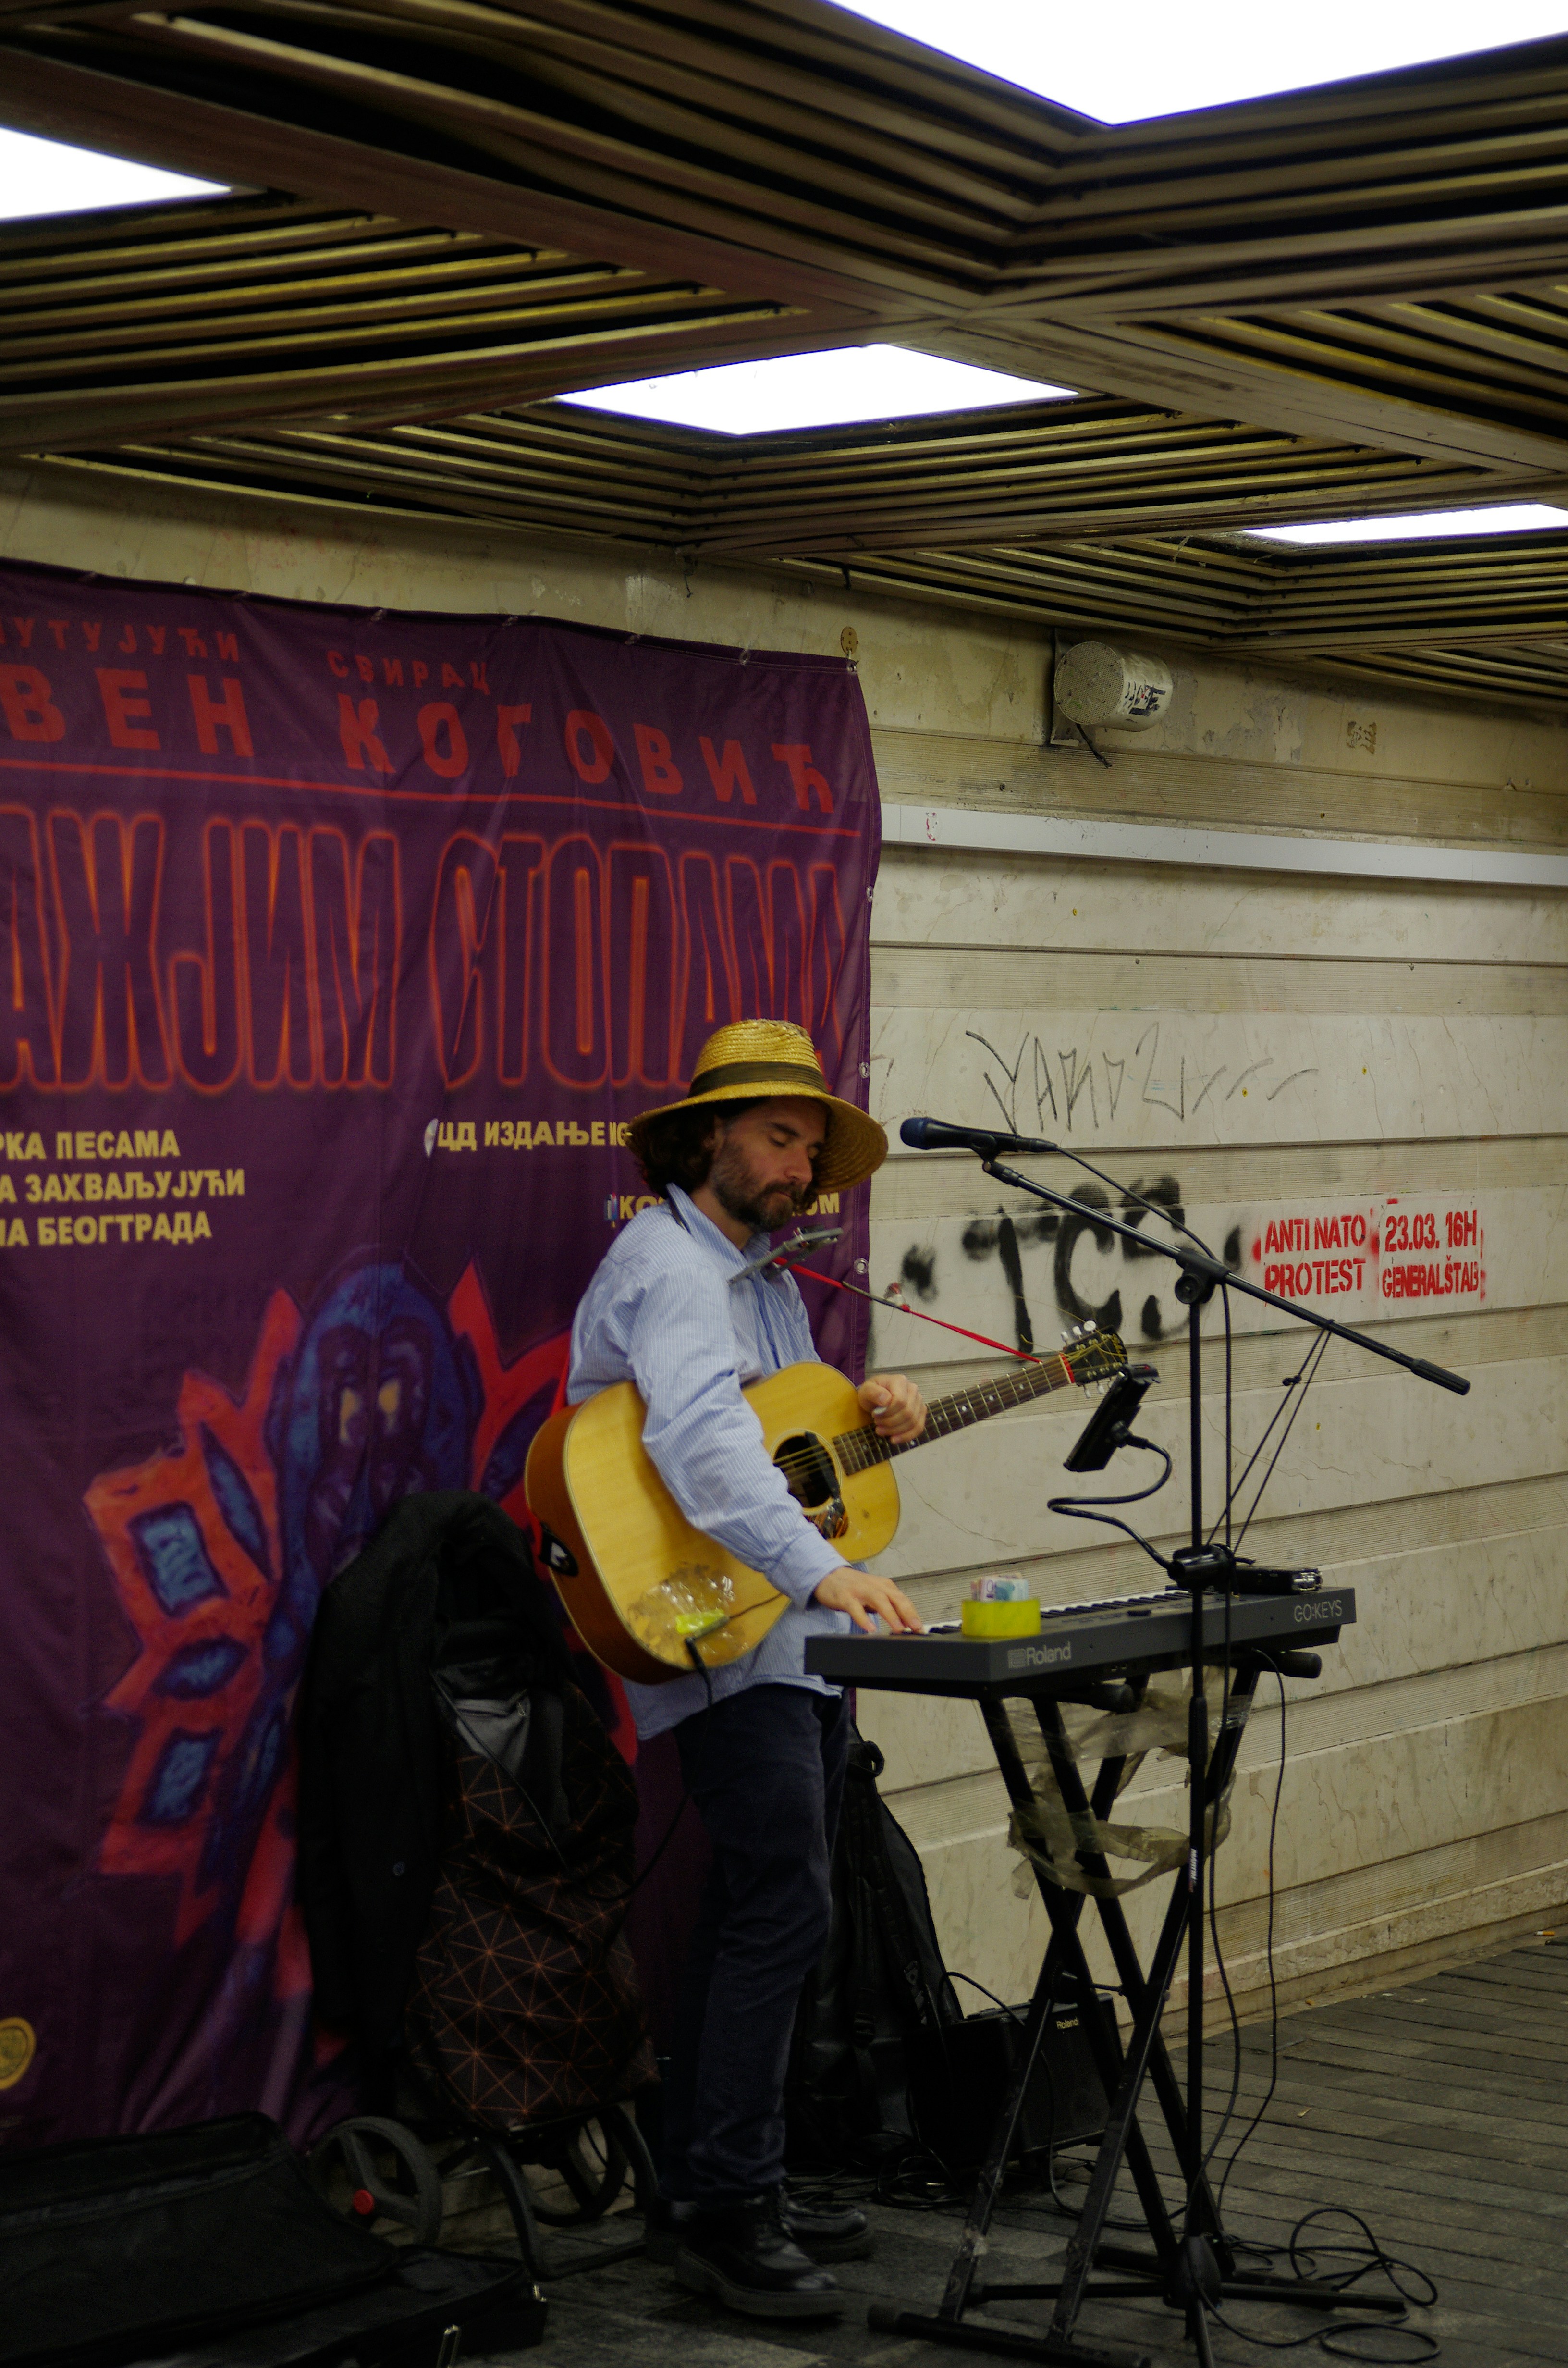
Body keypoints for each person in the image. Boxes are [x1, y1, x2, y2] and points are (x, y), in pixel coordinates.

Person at [567, 1018, 926, 2319]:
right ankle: (729, 2206)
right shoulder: (669, 1267)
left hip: (784, 1632)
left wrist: (878, 1411)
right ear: (707, 1134)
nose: (801, 1169)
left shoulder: (764, 1282)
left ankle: (724, 2177)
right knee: (786, 1905)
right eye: (780, 1138)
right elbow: (709, 1448)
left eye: (814, 1150)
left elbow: (791, 1436)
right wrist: (827, 1573)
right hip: (722, 1630)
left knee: (755, 1909)